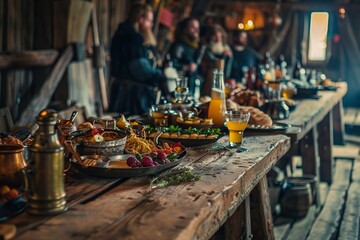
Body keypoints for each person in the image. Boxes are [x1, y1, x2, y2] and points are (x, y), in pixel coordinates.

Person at [109, 3, 166, 115]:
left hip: (126, 90)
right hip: (130, 95)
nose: (151, 24)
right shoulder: (132, 38)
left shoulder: (124, 34)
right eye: (149, 21)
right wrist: (159, 75)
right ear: (140, 19)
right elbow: (140, 69)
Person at [166, 17, 203, 98]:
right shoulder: (178, 45)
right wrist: (186, 67)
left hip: (190, 86)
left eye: (197, 27)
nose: (196, 30)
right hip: (178, 86)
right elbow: (171, 64)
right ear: (185, 29)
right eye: (192, 27)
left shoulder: (195, 46)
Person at [200, 24, 233, 96]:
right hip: (207, 80)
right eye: (215, 37)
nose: (218, 39)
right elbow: (213, 62)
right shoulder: (205, 48)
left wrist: (228, 57)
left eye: (220, 37)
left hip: (222, 79)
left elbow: (227, 71)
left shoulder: (226, 49)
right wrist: (224, 56)